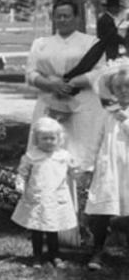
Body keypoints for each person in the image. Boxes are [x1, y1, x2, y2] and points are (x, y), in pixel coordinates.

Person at [25, 0, 106, 172]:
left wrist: (75, 81)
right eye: (58, 16)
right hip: (50, 101)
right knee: (46, 151)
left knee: (81, 152)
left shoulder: (91, 43)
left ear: (77, 18)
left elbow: (100, 71)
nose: (62, 20)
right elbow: (31, 73)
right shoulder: (41, 44)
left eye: (67, 16)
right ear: (53, 18)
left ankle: (81, 185)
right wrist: (50, 85)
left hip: (82, 103)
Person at [11, 117, 77, 268]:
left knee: (53, 228)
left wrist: (77, 171)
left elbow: (73, 171)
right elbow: (22, 172)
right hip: (38, 197)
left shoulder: (63, 156)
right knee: (37, 228)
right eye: (44, 138)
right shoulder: (32, 156)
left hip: (55, 197)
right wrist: (20, 183)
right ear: (37, 139)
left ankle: (55, 254)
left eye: (52, 138)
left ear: (59, 139)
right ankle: (37, 256)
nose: (48, 141)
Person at [85, 60, 129, 270]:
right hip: (109, 166)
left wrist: (125, 120)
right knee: (102, 208)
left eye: (127, 86)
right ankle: (97, 250)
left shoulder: (121, 115)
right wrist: (88, 165)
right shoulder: (107, 112)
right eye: (118, 88)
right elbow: (95, 139)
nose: (123, 91)